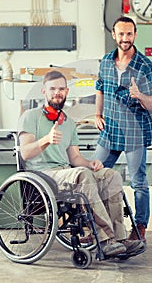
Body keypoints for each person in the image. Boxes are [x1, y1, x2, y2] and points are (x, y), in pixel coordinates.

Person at [18, 70, 144, 257]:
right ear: (43, 91)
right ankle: (105, 239)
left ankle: (119, 238)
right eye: (52, 89)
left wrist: (90, 163)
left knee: (111, 175)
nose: (57, 92)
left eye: (61, 89)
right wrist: (46, 140)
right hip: (42, 175)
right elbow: (25, 153)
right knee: (82, 175)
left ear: (67, 91)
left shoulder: (68, 122)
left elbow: (75, 158)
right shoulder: (30, 116)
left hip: (65, 172)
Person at [95, 16, 152, 244]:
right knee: (94, 176)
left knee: (138, 182)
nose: (125, 38)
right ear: (114, 35)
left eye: (129, 34)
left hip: (134, 133)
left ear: (135, 35)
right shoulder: (105, 62)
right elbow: (100, 88)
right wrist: (97, 114)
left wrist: (140, 95)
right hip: (110, 130)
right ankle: (97, 227)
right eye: (121, 34)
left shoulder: (145, 66)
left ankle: (140, 227)